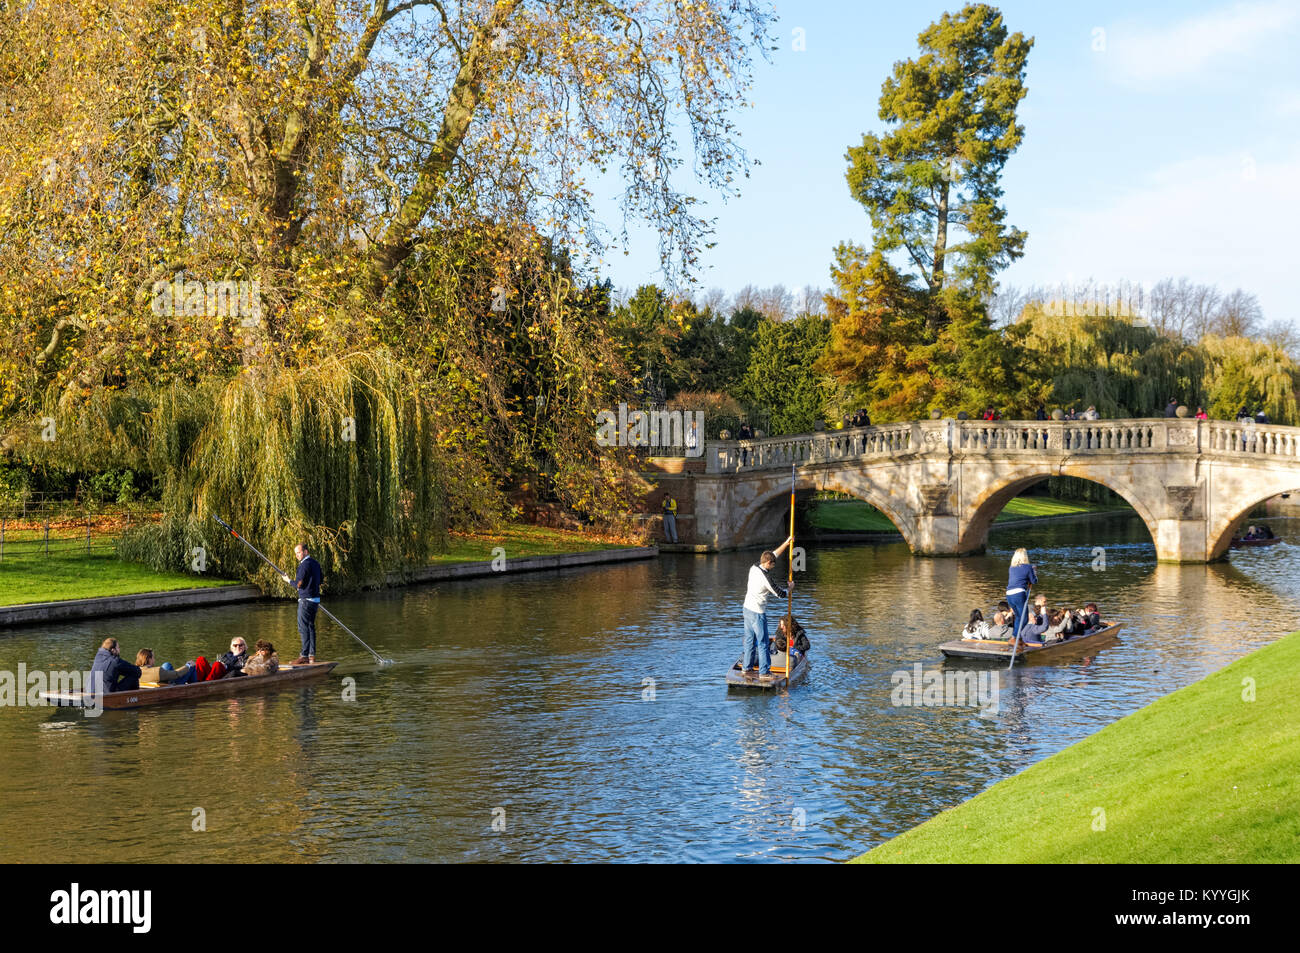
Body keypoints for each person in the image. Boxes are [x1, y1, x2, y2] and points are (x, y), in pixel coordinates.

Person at [740, 536, 793, 676]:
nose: (773, 568)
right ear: (768, 563)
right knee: (763, 642)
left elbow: (774, 554)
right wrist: (790, 588)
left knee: (750, 640)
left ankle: (746, 669)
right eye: (772, 565)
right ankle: (764, 672)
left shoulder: (754, 566)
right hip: (757, 613)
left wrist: (786, 543)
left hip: (746, 609)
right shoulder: (766, 578)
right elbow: (780, 594)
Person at [285, 542, 323, 665]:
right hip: (315, 600)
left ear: (305, 552)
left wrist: (288, 580)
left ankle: (304, 655)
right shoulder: (316, 564)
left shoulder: (303, 565)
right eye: (295, 553)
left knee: (303, 628)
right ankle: (312, 655)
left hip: (306, 601)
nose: (297, 555)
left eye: (299, 552)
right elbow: (321, 579)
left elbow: (298, 584)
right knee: (311, 627)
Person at [1005, 548, 1038, 644]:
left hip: (1009, 594)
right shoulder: (1028, 567)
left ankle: (1017, 639)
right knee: (1025, 618)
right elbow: (1033, 581)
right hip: (1019, 594)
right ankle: (1014, 637)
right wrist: (1034, 572)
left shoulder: (1011, 568)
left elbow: (1018, 578)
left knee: (1019, 617)